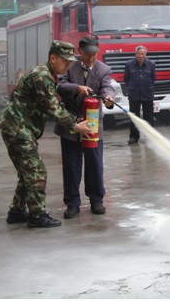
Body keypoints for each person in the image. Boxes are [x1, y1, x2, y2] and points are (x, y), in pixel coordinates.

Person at [0, 40, 91, 228]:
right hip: (18, 130)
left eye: (70, 61)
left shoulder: (48, 74)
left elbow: (50, 105)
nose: (68, 64)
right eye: (64, 60)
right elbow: (53, 109)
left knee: (27, 173)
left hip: (19, 128)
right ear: (53, 58)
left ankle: (16, 212)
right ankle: (36, 215)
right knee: (36, 172)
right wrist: (75, 125)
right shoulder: (42, 76)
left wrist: (73, 120)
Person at [54, 36, 115, 218]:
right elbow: (60, 84)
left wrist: (109, 98)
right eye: (88, 54)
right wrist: (77, 88)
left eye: (94, 54)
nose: (91, 58)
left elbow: (107, 87)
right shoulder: (68, 66)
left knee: (95, 164)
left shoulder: (103, 69)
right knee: (71, 166)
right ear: (80, 51)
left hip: (94, 125)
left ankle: (96, 200)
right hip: (71, 124)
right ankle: (72, 203)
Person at [124, 45, 156, 144]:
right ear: (135, 55)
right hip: (134, 95)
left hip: (147, 95)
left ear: (146, 55)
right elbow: (126, 79)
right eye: (139, 54)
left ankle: (149, 137)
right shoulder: (128, 65)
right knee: (134, 117)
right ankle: (134, 137)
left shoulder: (151, 64)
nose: (141, 56)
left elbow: (153, 79)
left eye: (143, 54)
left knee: (149, 117)